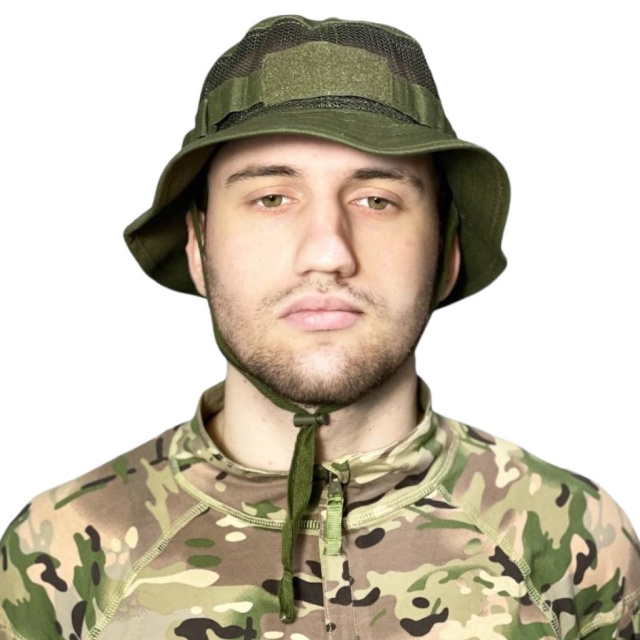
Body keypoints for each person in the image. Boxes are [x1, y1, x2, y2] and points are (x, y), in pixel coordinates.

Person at [1, 14, 638, 640]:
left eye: (377, 200)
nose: (328, 251)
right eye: (271, 198)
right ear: (198, 246)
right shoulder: (63, 552)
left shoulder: (572, 540)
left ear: (446, 254)